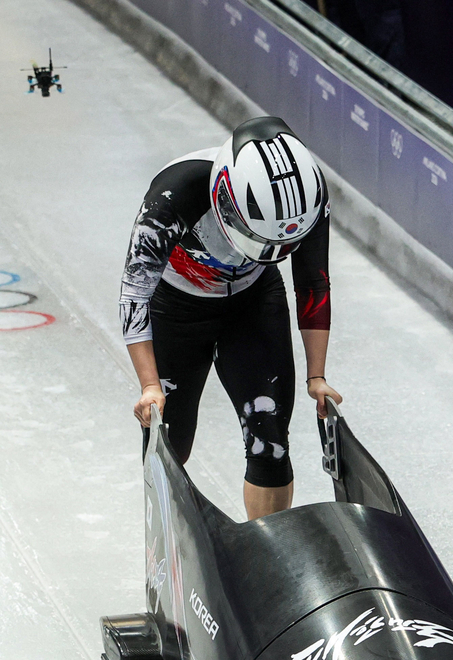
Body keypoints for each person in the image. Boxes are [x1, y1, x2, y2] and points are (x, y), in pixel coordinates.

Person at [119, 116, 342, 520]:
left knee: (270, 444)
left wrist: (317, 376)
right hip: (176, 310)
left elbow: (313, 282)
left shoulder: (306, 194)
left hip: (253, 304)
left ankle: (269, 562)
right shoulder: (175, 193)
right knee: (170, 442)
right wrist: (150, 385)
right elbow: (135, 291)